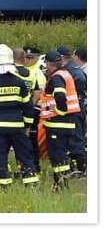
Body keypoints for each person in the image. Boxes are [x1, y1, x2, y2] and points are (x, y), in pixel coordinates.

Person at [0, 44, 38, 188]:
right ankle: (31, 185)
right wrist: (27, 125)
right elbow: (28, 107)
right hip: (17, 127)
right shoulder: (19, 82)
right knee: (25, 156)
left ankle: (3, 187)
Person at [40, 50, 85, 185]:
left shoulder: (57, 77)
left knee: (57, 156)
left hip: (58, 123)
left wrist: (59, 110)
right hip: (67, 122)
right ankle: (62, 182)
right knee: (63, 155)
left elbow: (60, 95)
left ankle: (59, 184)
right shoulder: (65, 73)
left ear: (48, 63)